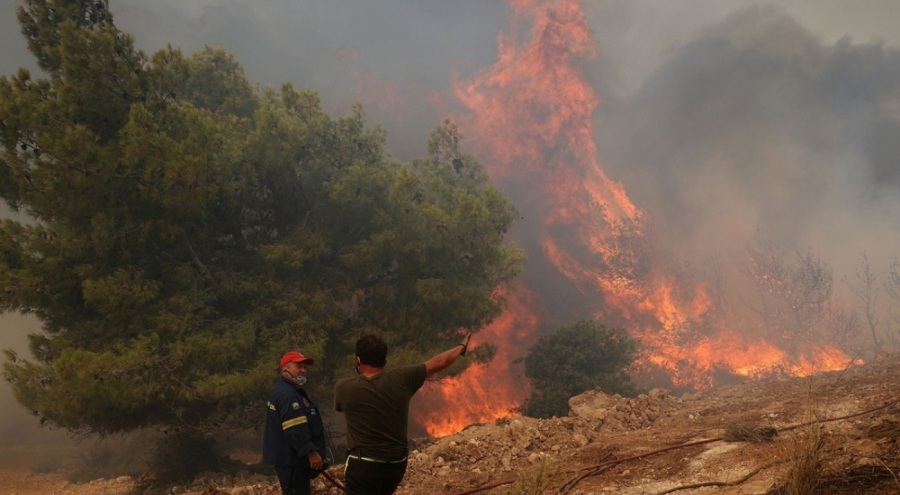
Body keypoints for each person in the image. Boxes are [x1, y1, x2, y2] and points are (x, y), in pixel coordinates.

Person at [334, 333, 471, 495]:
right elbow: (440, 361)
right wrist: (461, 348)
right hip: (396, 466)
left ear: (356, 360)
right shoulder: (403, 378)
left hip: (364, 465)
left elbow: (340, 407)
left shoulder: (343, 387)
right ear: (385, 361)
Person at [263, 350, 328, 495]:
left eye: (305, 367)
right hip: (292, 460)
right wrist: (310, 452)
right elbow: (294, 428)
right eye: (298, 367)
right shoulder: (288, 395)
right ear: (285, 370)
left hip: (291, 459)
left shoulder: (288, 390)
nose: (303, 371)